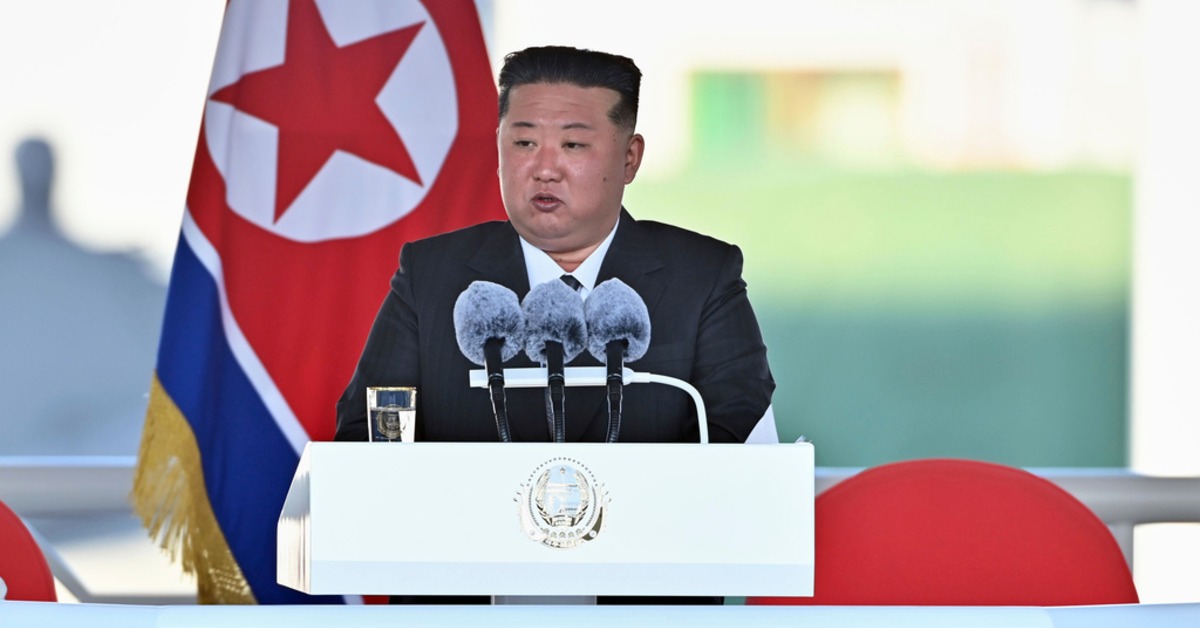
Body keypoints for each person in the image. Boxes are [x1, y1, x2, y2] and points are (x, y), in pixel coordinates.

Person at [334, 46, 775, 604]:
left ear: (630, 159)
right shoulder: (432, 274)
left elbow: (738, 437)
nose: (544, 167)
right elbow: (369, 438)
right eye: (523, 143)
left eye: (573, 144)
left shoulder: (701, 275)